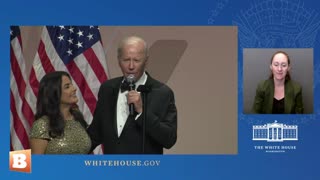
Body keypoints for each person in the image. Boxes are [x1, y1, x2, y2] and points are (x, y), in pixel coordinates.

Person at [87, 36, 177, 154]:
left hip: (145, 170)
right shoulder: (107, 89)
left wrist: (142, 112)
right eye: (126, 60)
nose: (131, 66)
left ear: (146, 61)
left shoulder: (162, 93)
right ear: (119, 60)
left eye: (136, 60)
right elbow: (95, 134)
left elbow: (169, 139)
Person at [29, 71, 91, 154]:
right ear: (54, 93)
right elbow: (37, 164)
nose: (74, 88)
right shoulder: (42, 124)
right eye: (67, 87)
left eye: (71, 84)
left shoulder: (78, 118)